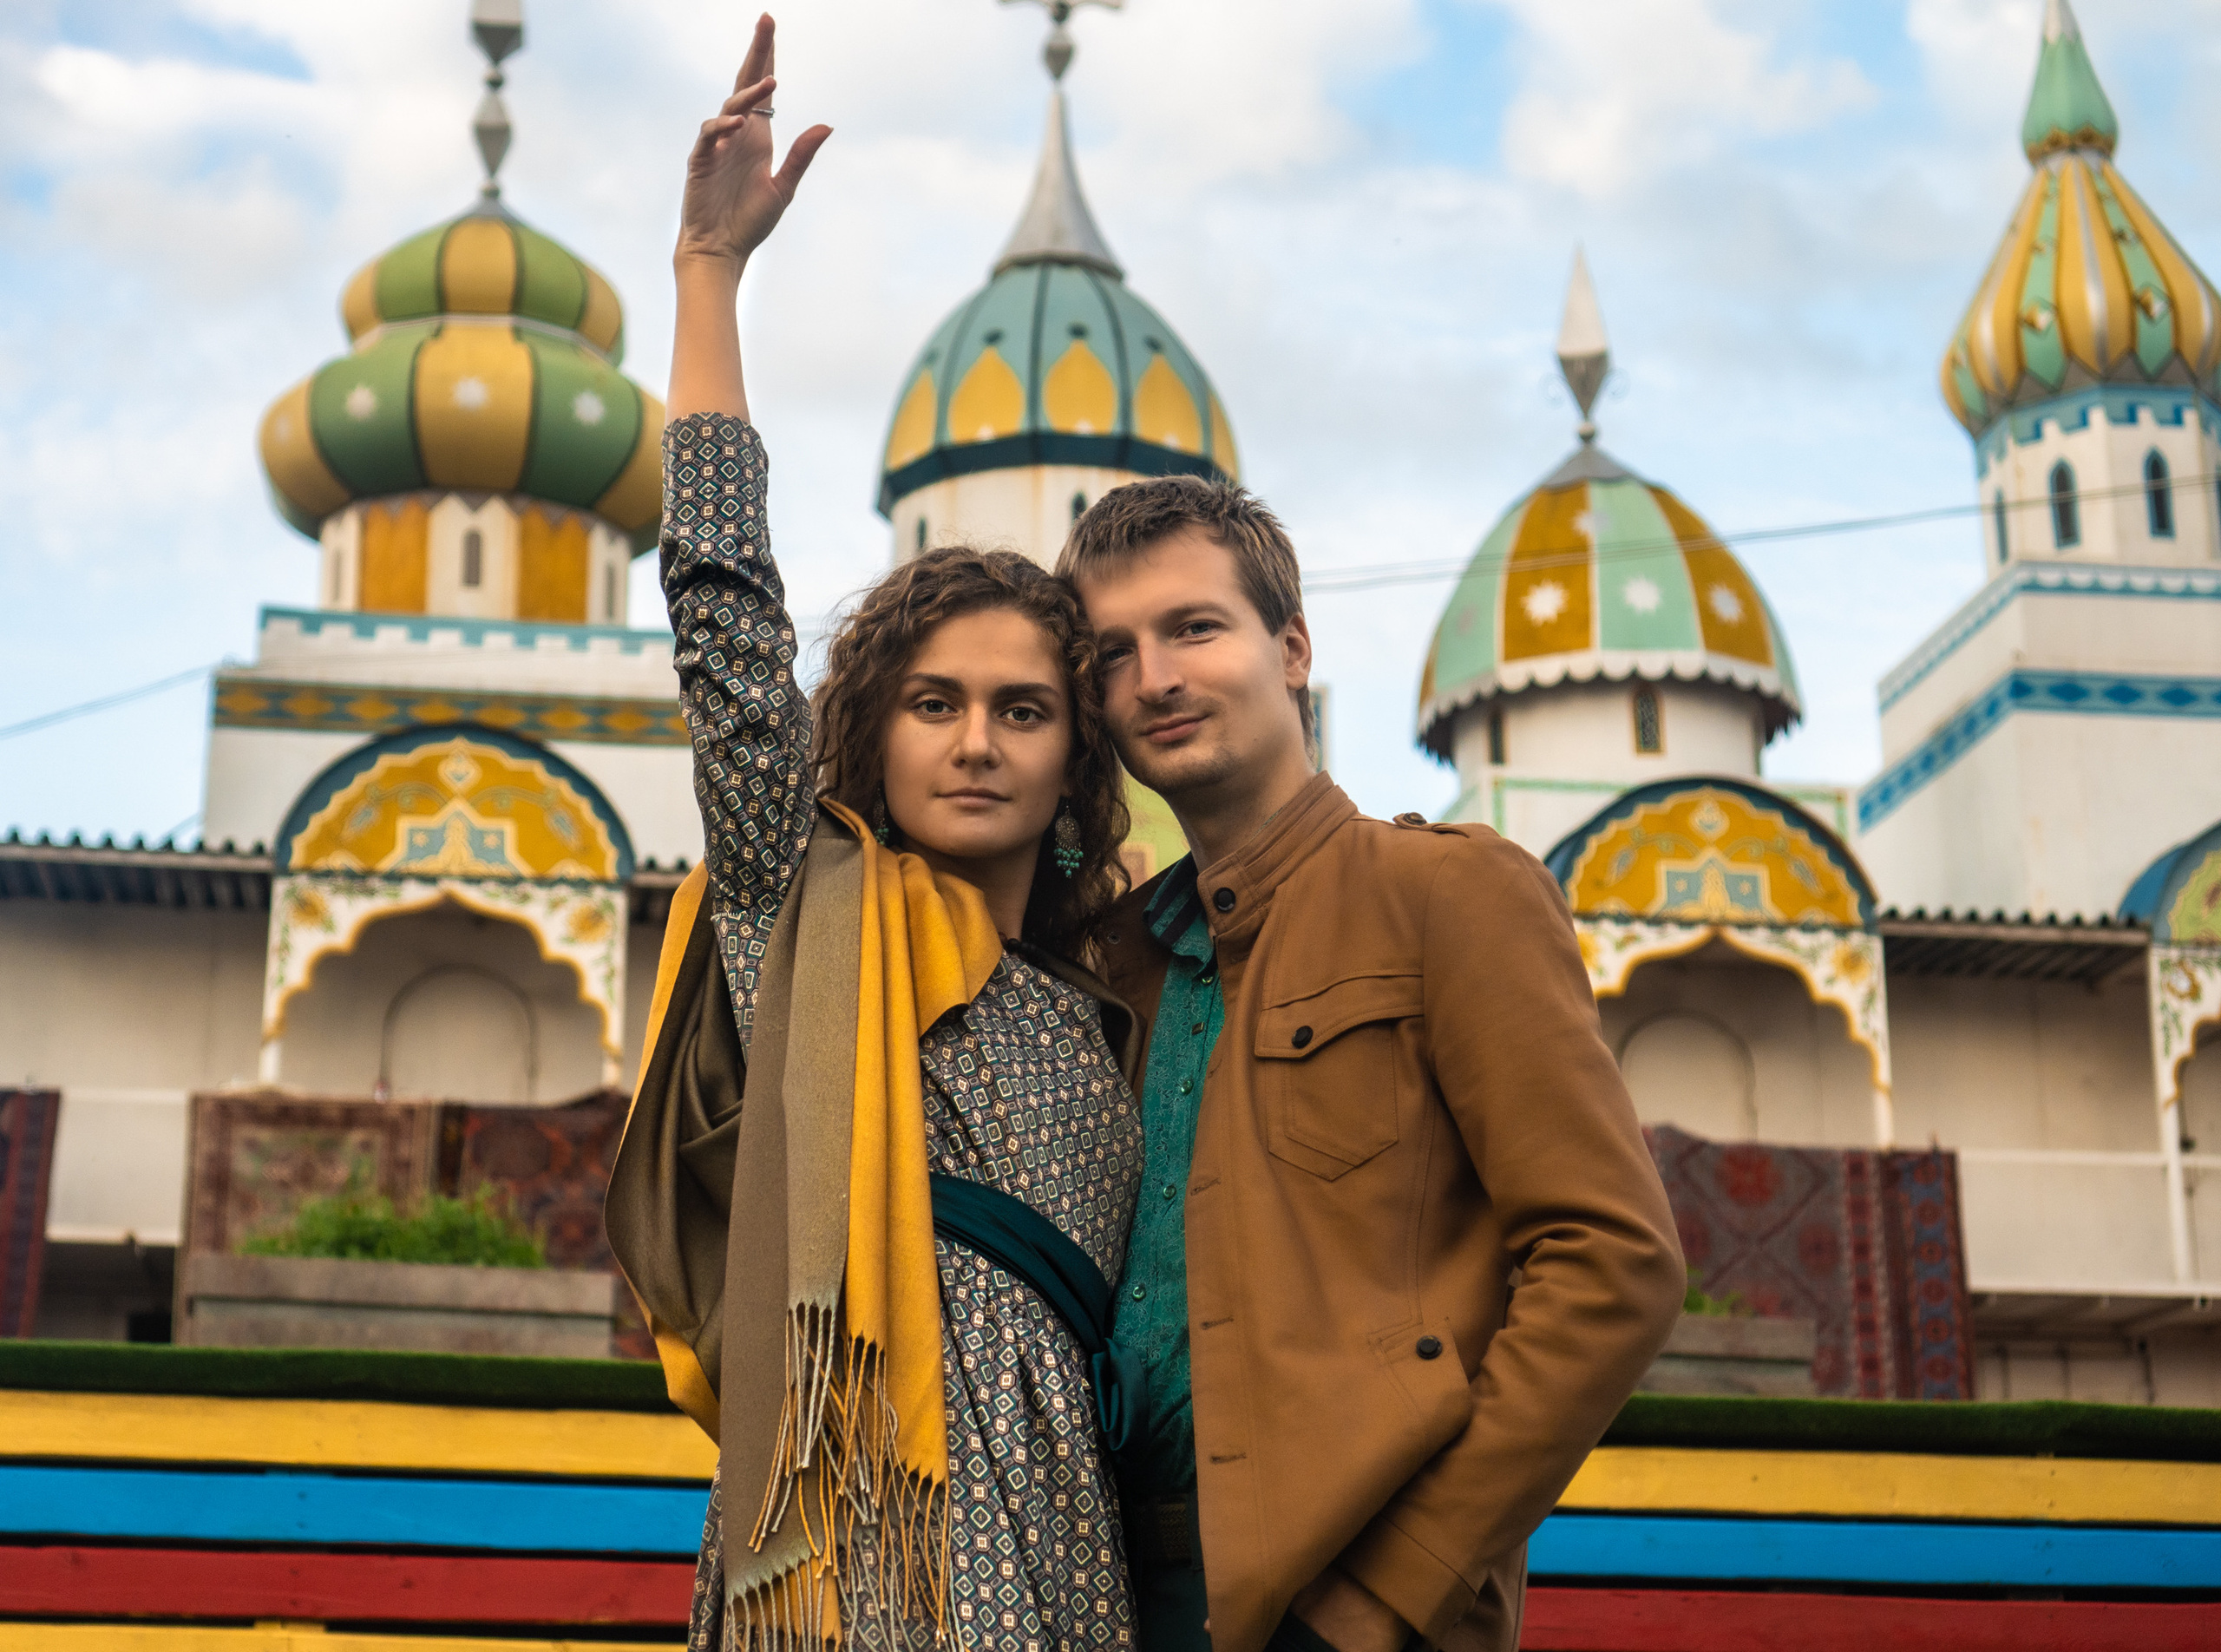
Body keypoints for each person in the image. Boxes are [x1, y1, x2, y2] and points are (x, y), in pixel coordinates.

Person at [606, 18, 1146, 1649]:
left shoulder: (1130, 1003)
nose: (977, 739)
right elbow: (725, 619)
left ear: (1077, 754)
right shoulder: (804, 907)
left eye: (1023, 709)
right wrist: (710, 273)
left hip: (1074, 1547)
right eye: (934, 703)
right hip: (847, 1547)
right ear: (872, 729)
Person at [1057, 482, 1686, 1652]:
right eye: (1113, 654)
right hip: (1102, 1597)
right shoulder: (1109, 964)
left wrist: (1393, 1593)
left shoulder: (1448, 898)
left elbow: (1614, 1265)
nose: (1156, 678)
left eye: (1195, 628)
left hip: (1346, 1605)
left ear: (1291, 649)